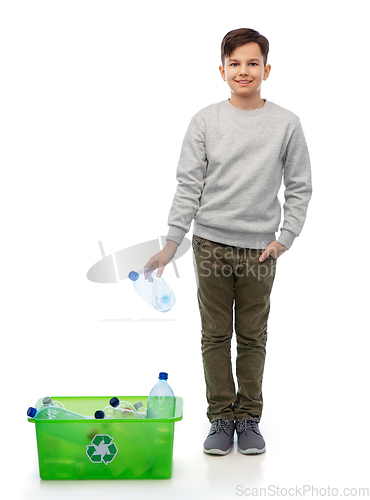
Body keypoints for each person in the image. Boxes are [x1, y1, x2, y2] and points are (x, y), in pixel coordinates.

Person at [144, 28, 312, 455]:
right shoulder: (205, 121)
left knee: (253, 336)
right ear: (222, 71)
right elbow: (188, 186)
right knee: (216, 335)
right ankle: (221, 418)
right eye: (235, 64)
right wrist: (171, 243)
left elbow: (299, 186)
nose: (244, 71)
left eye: (252, 63)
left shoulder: (286, 124)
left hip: (261, 249)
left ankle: (249, 418)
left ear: (266, 70)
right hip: (210, 244)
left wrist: (285, 238)